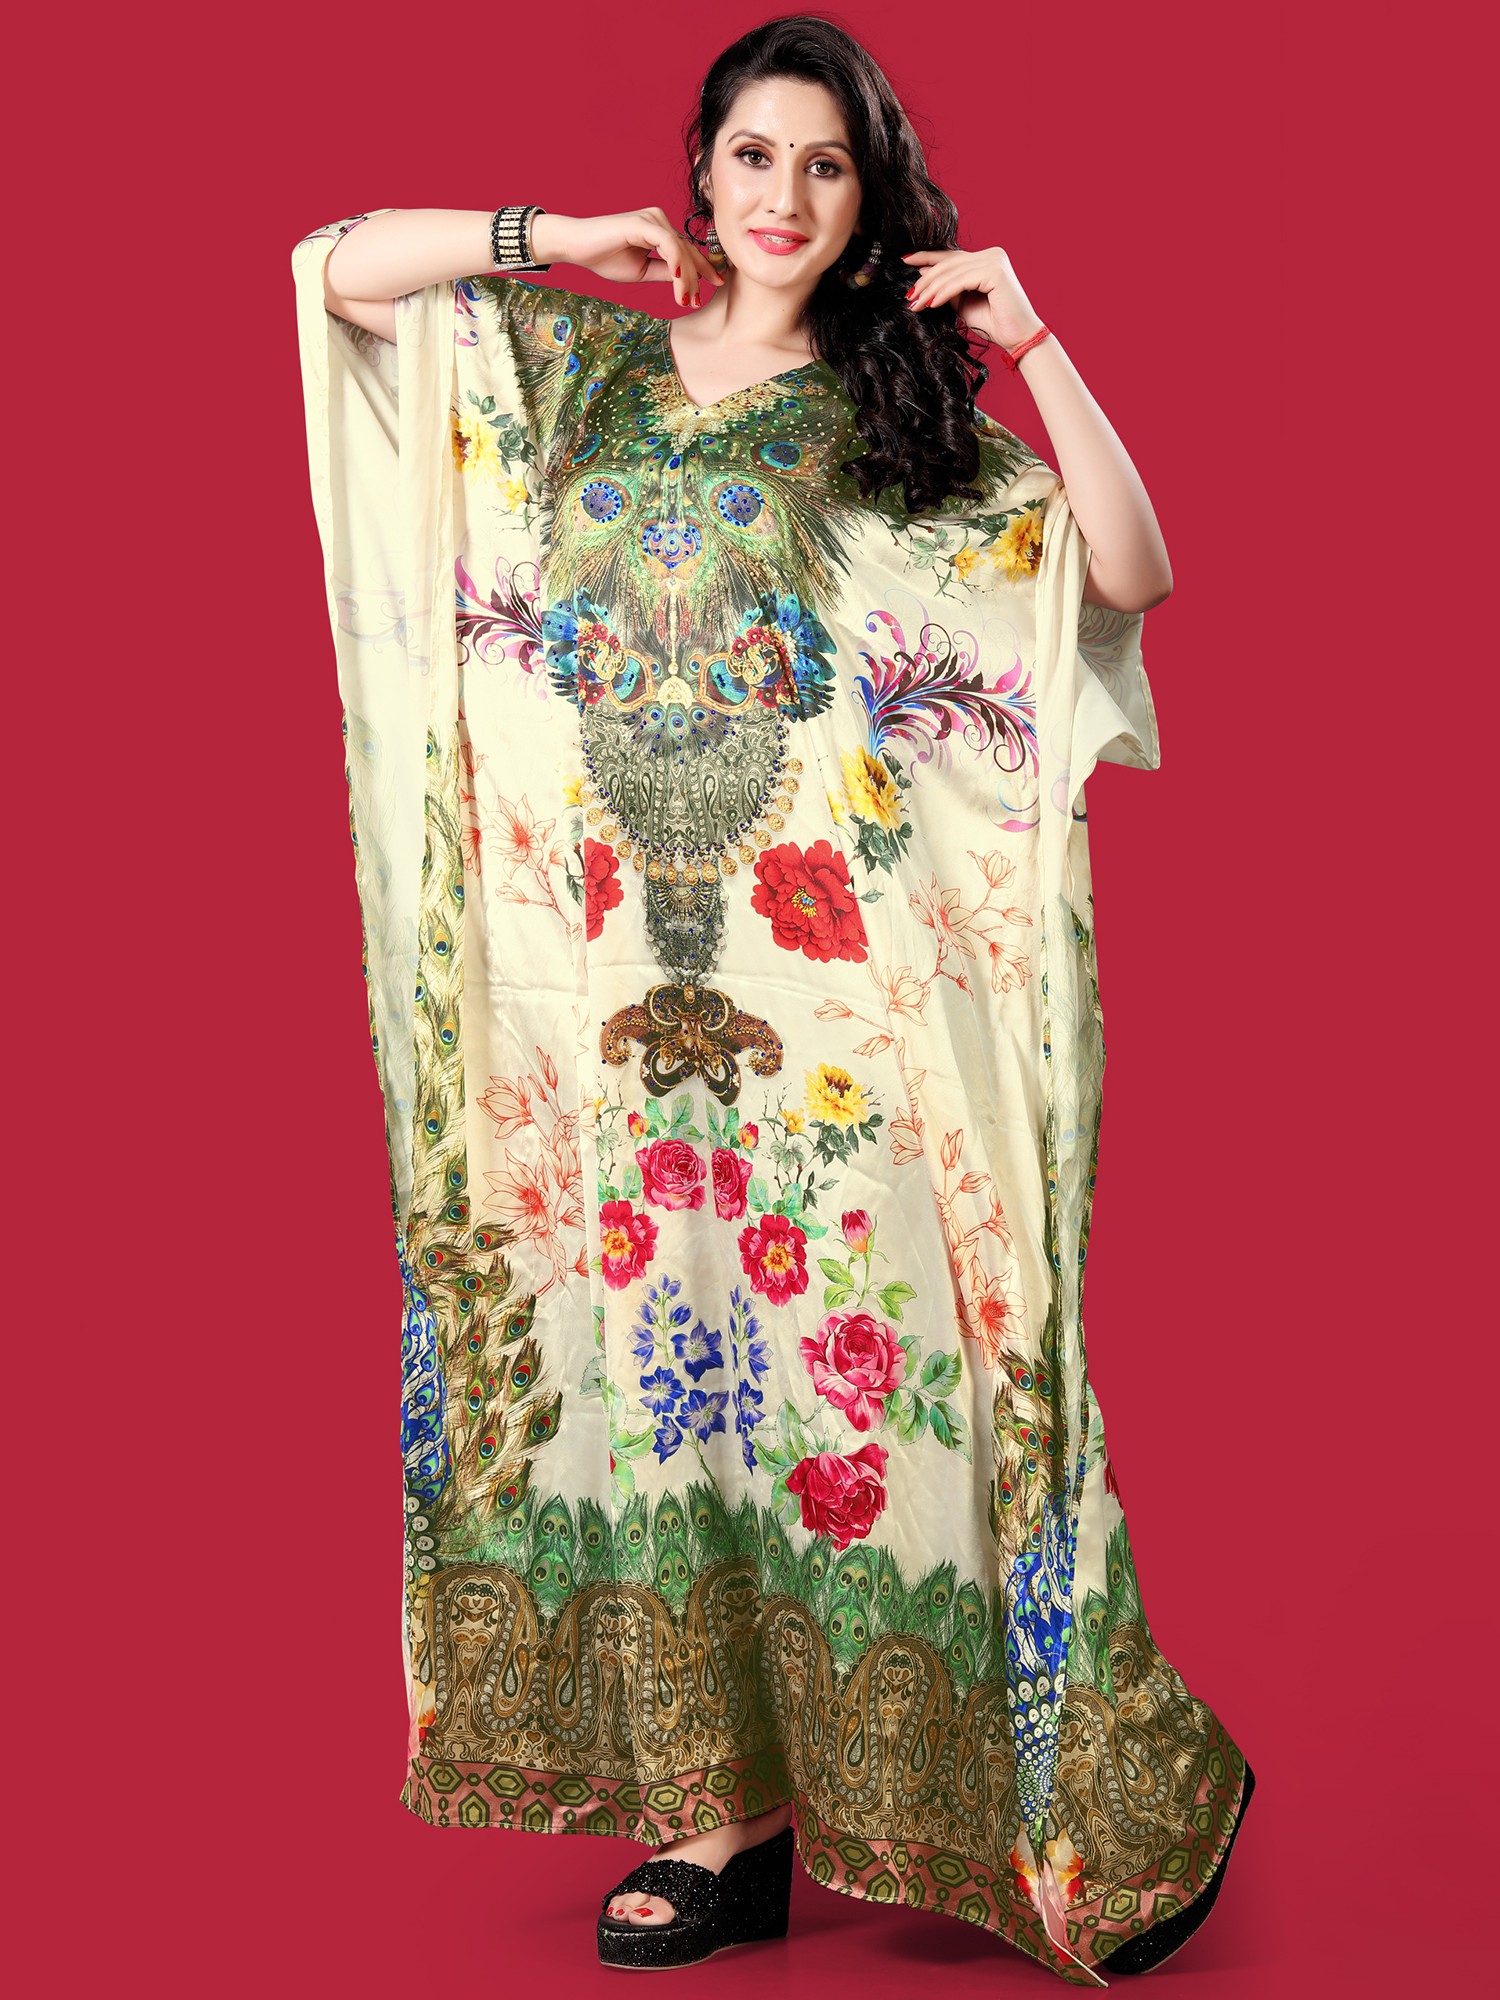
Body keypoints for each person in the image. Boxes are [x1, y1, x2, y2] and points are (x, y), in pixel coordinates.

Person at [290, 13, 1253, 1985]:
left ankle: (1085, 1784)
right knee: (647, 1374)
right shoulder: (580, 371)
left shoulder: (905, 437)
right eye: (753, 156)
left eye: (826, 166)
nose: (784, 197)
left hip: (830, 1016)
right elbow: (336, 270)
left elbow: (1129, 574)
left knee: (849, 1380)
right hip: (596, 996)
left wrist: (1037, 345)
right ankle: (716, 1818)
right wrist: (553, 236)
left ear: (870, 199)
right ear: (703, 170)